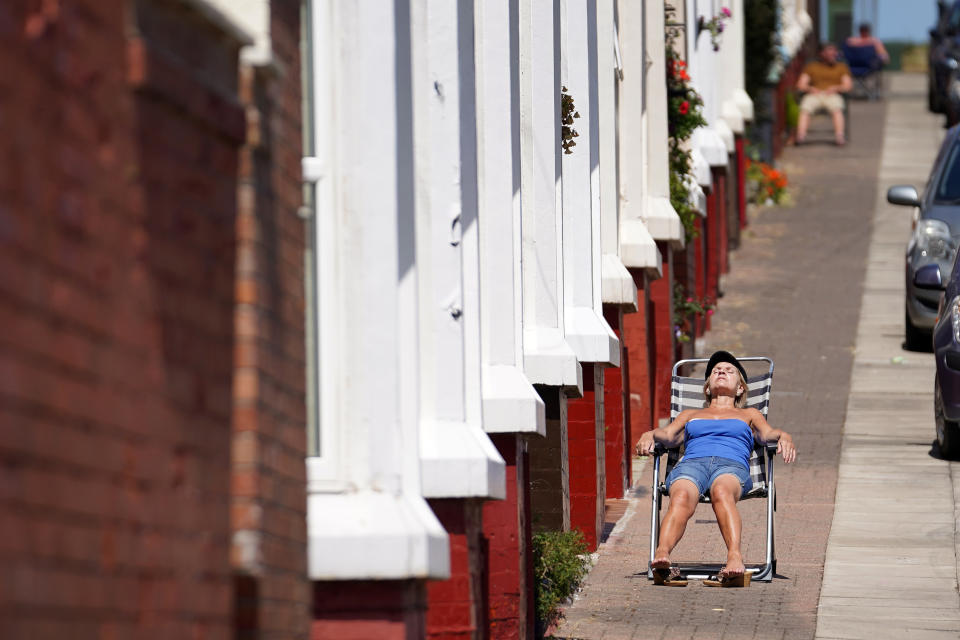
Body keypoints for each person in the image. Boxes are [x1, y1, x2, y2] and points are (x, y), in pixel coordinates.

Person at [635, 350, 797, 587]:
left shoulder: (749, 414)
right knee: (680, 494)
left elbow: (768, 434)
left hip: (731, 467)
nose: (721, 371)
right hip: (691, 465)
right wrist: (648, 433)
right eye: (716, 371)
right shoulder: (691, 414)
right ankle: (662, 555)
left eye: (729, 370)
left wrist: (786, 437)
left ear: (740, 388)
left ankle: (734, 557)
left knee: (721, 490)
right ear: (708, 387)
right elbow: (668, 436)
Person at [795, 42, 852, 146]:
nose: (833, 54)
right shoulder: (811, 67)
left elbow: (847, 85)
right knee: (805, 108)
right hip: (814, 94)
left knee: (837, 108)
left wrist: (836, 88)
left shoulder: (841, 67)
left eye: (834, 51)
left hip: (832, 94)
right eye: (830, 51)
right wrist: (810, 89)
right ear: (822, 53)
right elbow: (801, 84)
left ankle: (839, 136)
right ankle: (800, 136)